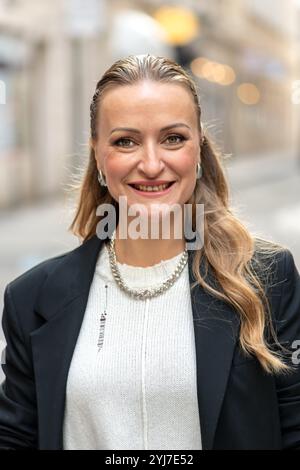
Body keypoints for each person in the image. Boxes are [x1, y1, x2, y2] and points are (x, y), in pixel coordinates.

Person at [0, 54, 300, 451]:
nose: (152, 164)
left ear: (198, 149)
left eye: (173, 138)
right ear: (98, 155)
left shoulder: (267, 279)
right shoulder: (33, 298)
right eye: (125, 141)